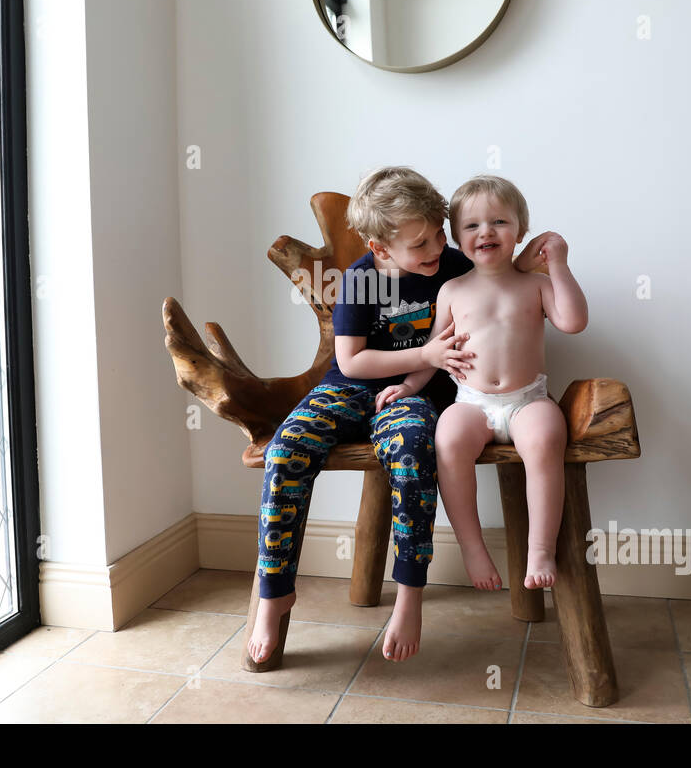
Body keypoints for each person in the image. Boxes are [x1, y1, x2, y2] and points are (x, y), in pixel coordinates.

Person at [247, 166, 558, 667]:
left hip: (416, 398)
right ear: (380, 247)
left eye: (439, 233)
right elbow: (352, 362)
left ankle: (409, 594)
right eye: (421, 244)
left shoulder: (456, 267)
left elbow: (504, 273)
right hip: (350, 390)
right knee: (284, 450)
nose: (436, 248)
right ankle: (274, 592)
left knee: (414, 452)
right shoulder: (360, 280)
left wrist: (539, 249)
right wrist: (426, 355)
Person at [395, 175, 588, 592]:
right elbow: (433, 350)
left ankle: (540, 548)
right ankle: (472, 546)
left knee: (544, 437)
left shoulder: (535, 284)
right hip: (472, 401)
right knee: (448, 438)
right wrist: (409, 386)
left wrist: (558, 264)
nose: (486, 231)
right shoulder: (452, 290)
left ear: (520, 230)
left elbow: (573, 322)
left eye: (499, 221)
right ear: (455, 239)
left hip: (527, 398)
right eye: (472, 225)